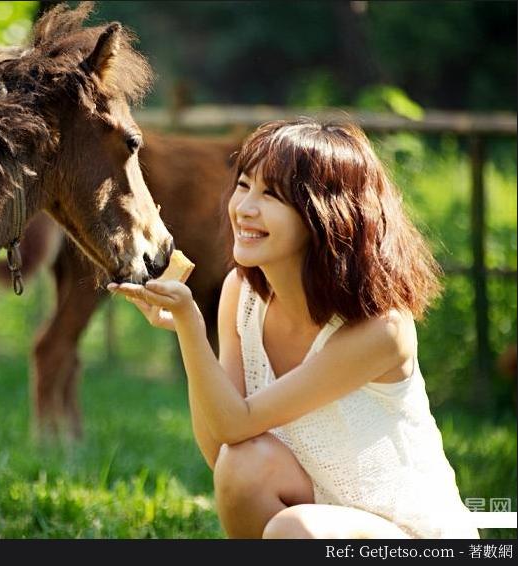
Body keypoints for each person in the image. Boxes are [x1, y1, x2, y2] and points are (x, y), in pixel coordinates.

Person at [108, 118, 479, 539]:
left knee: (291, 527)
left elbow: (235, 422)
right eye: (244, 185)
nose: (243, 207)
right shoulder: (242, 295)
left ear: (325, 215)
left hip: (411, 535)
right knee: (242, 467)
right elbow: (222, 449)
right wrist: (186, 333)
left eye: (271, 195)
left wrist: (193, 324)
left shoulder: (382, 329)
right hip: (325, 521)